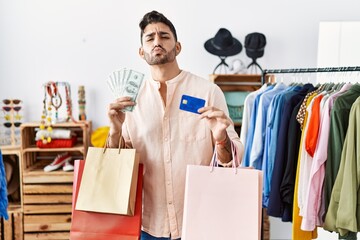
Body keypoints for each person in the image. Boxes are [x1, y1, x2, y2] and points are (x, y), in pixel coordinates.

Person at [107, 10, 244, 240]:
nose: (157, 41)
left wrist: (221, 139)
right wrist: (115, 131)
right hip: (148, 224)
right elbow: (118, 168)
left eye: (164, 36)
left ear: (177, 47)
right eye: (150, 38)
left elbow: (232, 160)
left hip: (201, 219)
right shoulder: (129, 101)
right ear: (142, 52)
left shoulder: (208, 92)